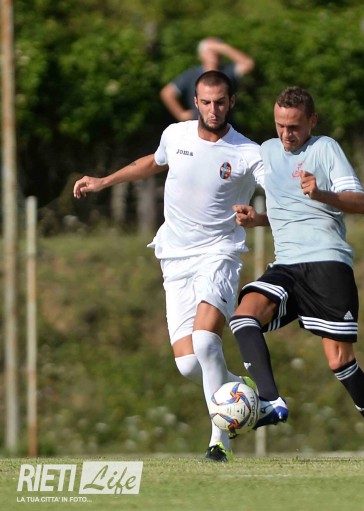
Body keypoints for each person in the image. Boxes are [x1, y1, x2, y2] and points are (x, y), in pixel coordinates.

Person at [74, 70, 263, 463]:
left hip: (219, 253)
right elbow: (153, 162)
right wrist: (104, 181)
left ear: (232, 102)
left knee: (207, 342)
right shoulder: (175, 135)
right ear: (195, 102)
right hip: (175, 256)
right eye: (206, 102)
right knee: (189, 364)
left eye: (221, 102)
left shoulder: (249, 153)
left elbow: (280, 193)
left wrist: (262, 218)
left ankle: (219, 443)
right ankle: (246, 393)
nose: (213, 109)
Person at [228, 86, 364, 463]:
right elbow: (287, 210)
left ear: (312, 121)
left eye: (294, 126)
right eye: (280, 125)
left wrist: (322, 193)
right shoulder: (268, 151)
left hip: (327, 262)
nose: (286, 134)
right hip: (286, 264)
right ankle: (270, 399)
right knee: (243, 316)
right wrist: (258, 220)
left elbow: (362, 203)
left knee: (340, 361)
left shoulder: (325, 148)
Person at [160, 37, 254, 121]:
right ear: (201, 55)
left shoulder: (228, 71)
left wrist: (223, 48)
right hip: (198, 126)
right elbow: (167, 93)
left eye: (216, 51)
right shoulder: (192, 74)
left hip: (225, 126)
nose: (214, 54)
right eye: (210, 51)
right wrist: (181, 114)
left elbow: (248, 64)